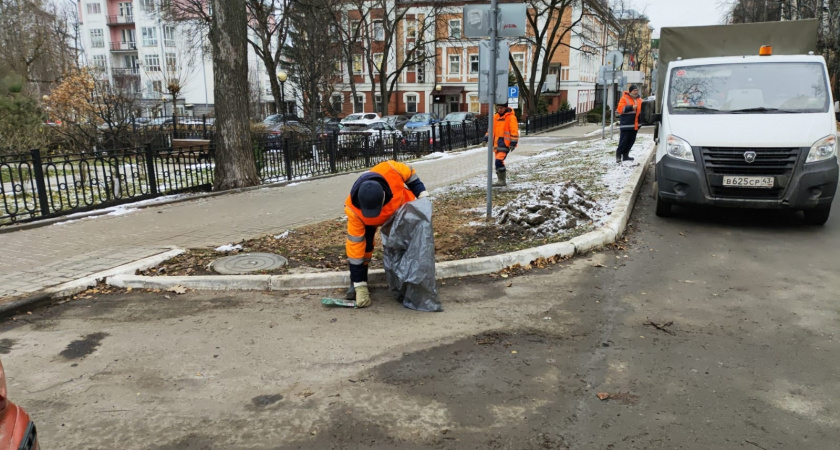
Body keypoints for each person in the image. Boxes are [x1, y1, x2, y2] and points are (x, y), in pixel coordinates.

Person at [344, 160, 429, 308]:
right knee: (364, 249)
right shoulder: (353, 210)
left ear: (384, 196)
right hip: (366, 223)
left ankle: (409, 283)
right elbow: (355, 249)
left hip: (402, 211)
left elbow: (410, 173)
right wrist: (359, 285)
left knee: (405, 246)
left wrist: (422, 193)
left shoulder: (391, 169)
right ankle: (358, 283)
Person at [483, 103, 520, 187]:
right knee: (498, 162)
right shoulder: (495, 117)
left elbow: (514, 130)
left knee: (499, 161)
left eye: (501, 108)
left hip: (505, 144)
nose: (499, 110)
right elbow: (491, 129)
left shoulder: (511, 117)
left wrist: (513, 143)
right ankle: (500, 180)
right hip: (496, 144)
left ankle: (501, 180)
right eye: (498, 108)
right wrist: (486, 138)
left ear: (506, 108)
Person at [616, 85, 642, 164]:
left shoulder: (639, 100)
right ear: (630, 91)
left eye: (637, 90)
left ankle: (626, 155)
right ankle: (618, 155)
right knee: (623, 141)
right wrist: (631, 107)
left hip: (635, 125)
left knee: (631, 141)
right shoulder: (624, 98)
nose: (636, 92)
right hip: (626, 125)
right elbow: (620, 109)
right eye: (634, 90)